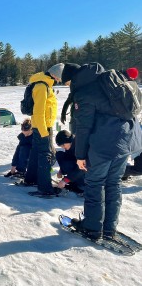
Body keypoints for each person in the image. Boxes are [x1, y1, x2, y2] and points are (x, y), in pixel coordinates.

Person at [61, 62, 142, 240]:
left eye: (66, 83)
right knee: (114, 184)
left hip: (102, 145)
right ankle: (109, 228)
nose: (67, 87)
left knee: (95, 184)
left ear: (72, 79)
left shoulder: (84, 93)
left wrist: (80, 155)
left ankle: (92, 228)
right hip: (125, 142)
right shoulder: (110, 82)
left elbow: (83, 128)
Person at [24, 63, 64, 197]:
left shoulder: (46, 84)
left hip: (41, 126)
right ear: (53, 74)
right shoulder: (42, 86)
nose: (59, 80)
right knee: (45, 156)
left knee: (36, 153)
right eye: (59, 77)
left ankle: (31, 179)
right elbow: (39, 111)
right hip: (42, 127)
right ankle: (45, 188)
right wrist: (44, 132)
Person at [54, 130, 84, 195]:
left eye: (63, 145)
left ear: (67, 141)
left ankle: (81, 186)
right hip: (76, 168)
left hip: (86, 173)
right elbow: (69, 158)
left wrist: (65, 180)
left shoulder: (79, 146)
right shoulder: (70, 145)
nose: (63, 147)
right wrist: (61, 171)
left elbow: (82, 169)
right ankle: (73, 181)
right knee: (60, 155)